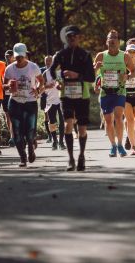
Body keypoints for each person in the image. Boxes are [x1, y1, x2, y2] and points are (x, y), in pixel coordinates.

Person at [49, 26, 95, 171]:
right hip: (66, 95)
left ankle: (81, 156)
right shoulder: (61, 54)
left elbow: (91, 77)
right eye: (69, 36)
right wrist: (58, 80)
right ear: (66, 38)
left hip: (83, 95)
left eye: (74, 36)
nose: (72, 38)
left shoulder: (85, 55)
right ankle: (70, 159)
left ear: (79, 37)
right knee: (68, 124)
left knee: (82, 128)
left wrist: (77, 75)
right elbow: (52, 70)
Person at [94, 30, 135, 157]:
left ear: (118, 42)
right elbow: (93, 73)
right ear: (107, 42)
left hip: (120, 91)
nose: (112, 41)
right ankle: (112, 145)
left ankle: (120, 145)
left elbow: (133, 71)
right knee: (108, 120)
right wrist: (95, 69)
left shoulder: (125, 56)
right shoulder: (101, 56)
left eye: (114, 39)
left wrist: (127, 76)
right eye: (110, 39)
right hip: (106, 92)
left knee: (118, 116)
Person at [3, 43, 44, 167]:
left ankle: (31, 146)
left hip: (30, 102)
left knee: (30, 130)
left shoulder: (33, 67)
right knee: (16, 131)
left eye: (21, 56)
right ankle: (22, 157)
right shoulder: (9, 69)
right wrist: (9, 85)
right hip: (15, 102)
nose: (19, 58)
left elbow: (41, 81)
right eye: (17, 56)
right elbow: (3, 86)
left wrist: (37, 89)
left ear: (25, 54)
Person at [42, 59, 66, 151]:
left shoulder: (61, 72)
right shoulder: (46, 73)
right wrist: (48, 86)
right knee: (52, 121)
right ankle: (54, 141)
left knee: (62, 120)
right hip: (51, 100)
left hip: (61, 99)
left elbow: (65, 85)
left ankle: (61, 142)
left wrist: (61, 86)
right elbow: (40, 87)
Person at [2, 50, 15, 146]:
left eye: (9, 56)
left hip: (14, 93)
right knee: (7, 116)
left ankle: (14, 136)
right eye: (6, 56)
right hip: (4, 94)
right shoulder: (2, 66)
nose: (7, 57)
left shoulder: (16, 66)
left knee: (14, 115)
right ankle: (12, 135)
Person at [40, 55, 53, 143]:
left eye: (49, 61)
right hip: (44, 95)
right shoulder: (41, 70)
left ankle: (54, 134)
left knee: (53, 116)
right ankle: (49, 136)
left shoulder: (55, 71)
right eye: (46, 61)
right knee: (46, 115)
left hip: (54, 96)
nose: (48, 62)